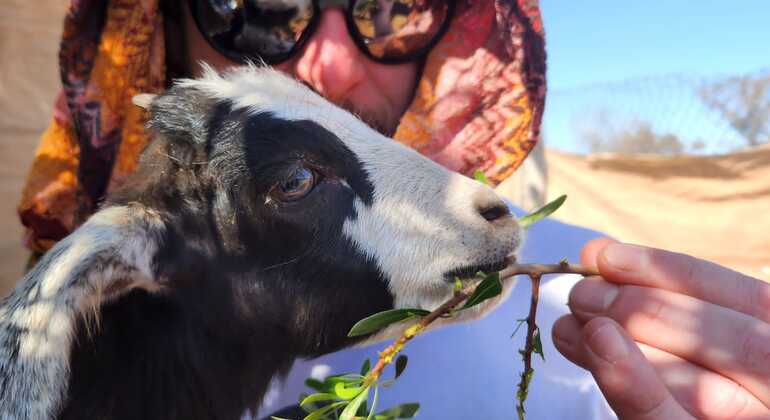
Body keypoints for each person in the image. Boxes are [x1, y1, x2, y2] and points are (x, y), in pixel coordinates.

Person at [16, 0, 770, 418]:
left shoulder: (600, 336)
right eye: (257, 9)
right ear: (153, 22)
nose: (330, 65)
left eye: (394, 7)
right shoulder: (106, 314)